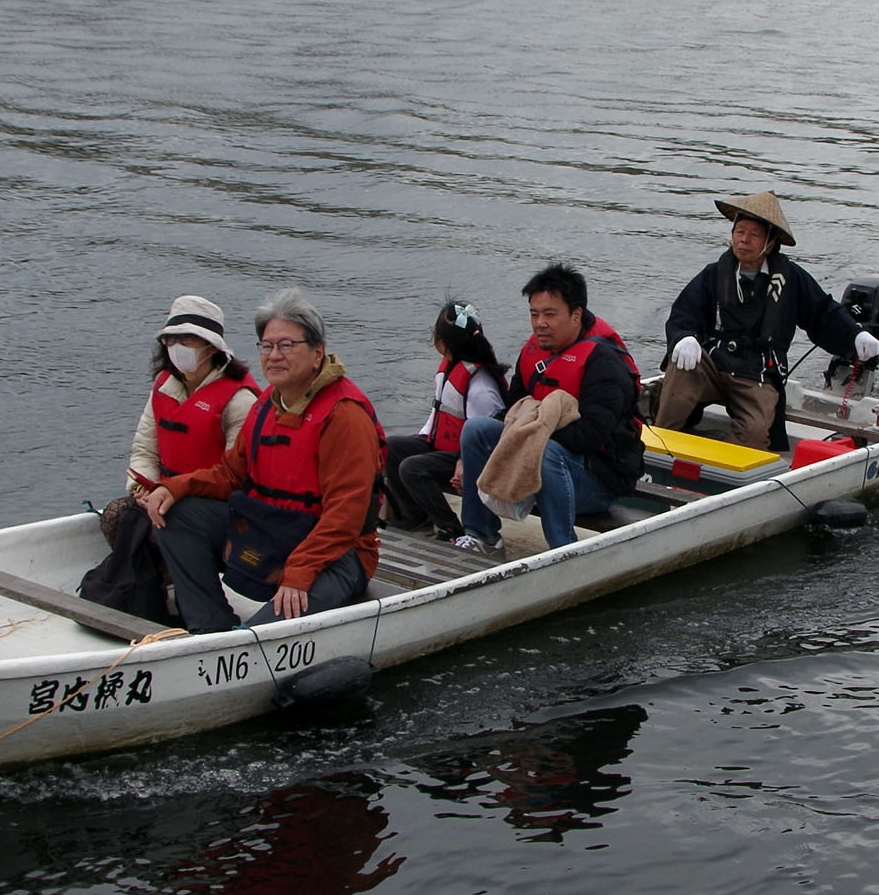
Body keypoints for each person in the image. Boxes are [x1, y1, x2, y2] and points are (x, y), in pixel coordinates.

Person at [140, 289, 384, 632]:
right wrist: (175, 487)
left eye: (286, 346)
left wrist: (300, 571)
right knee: (177, 513)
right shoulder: (266, 404)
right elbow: (231, 474)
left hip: (337, 554)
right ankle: (209, 628)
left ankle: (245, 642)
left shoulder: (344, 416)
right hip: (272, 529)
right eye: (267, 346)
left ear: (317, 354)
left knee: (275, 621)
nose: (274, 356)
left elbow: (346, 515)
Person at [658, 192, 879, 452]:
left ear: (771, 243)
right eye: (739, 231)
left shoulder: (791, 278)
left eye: (754, 234)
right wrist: (684, 336)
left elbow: (823, 312)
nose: (744, 239)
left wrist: (855, 335)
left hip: (758, 372)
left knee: (753, 436)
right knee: (681, 364)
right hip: (715, 363)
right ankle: (660, 444)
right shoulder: (714, 274)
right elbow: (685, 312)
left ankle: (722, 463)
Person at [454, 264, 645, 553]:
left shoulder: (605, 363)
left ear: (576, 315)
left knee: (547, 451)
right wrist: (526, 436)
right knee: (477, 430)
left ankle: (563, 550)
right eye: (534, 313)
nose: (539, 323)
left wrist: (533, 434)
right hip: (540, 463)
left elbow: (590, 436)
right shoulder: (533, 351)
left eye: (550, 314)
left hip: (599, 480)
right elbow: (511, 409)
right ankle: (482, 536)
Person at [382, 301, 508, 539]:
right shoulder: (450, 369)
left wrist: (462, 462)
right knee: (391, 448)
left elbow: (485, 438)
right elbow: (437, 415)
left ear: (443, 343)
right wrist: (420, 440)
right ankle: (416, 518)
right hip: (443, 447)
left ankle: (452, 528)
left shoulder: (480, 385)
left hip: (471, 458)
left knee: (413, 469)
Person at [126, 296, 259, 492]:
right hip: (160, 492)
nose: (177, 346)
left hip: (210, 500)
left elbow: (234, 475)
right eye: (171, 339)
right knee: (118, 515)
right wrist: (142, 489)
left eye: (187, 339)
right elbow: (144, 451)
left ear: (212, 346)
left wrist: (173, 492)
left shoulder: (240, 401)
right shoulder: (163, 387)